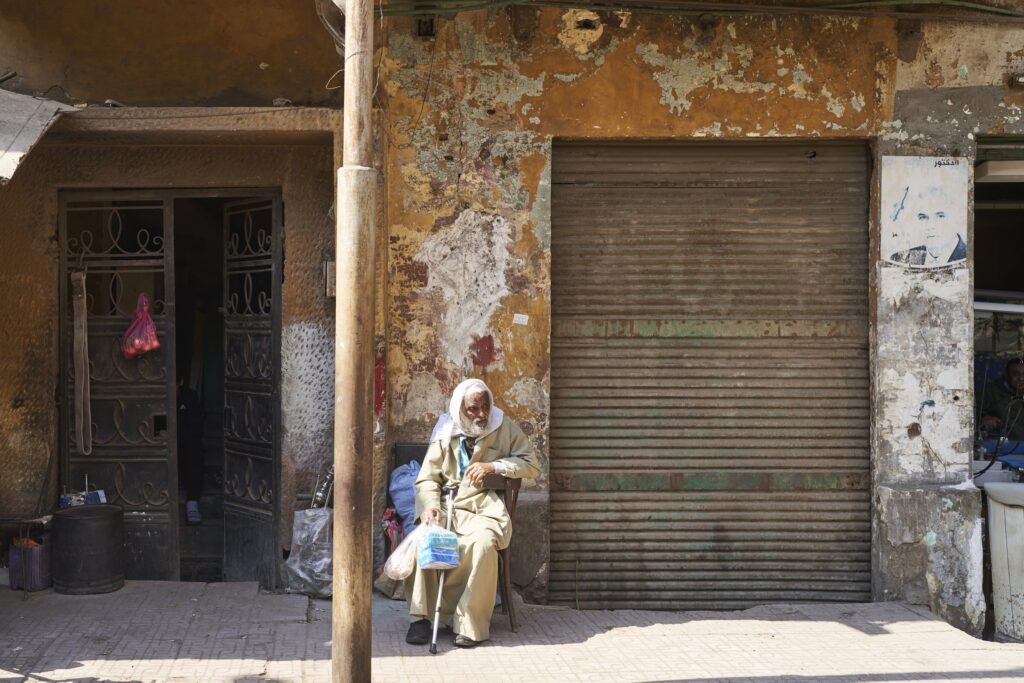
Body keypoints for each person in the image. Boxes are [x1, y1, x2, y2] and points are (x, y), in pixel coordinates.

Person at [405, 378, 542, 648]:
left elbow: (531, 465)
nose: (481, 414)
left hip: (484, 507)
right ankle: (420, 619)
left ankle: (469, 624)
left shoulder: (504, 427)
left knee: (482, 545)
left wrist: (496, 467)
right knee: (426, 538)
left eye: (485, 406)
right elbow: (427, 479)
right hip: (447, 506)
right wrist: (430, 506)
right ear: (460, 409)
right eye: (473, 408)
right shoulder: (446, 430)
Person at [981, 358, 1024, 441]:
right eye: (1016, 374)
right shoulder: (991, 392)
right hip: (1002, 447)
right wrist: (984, 418)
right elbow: (972, 413)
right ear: (1007, 375)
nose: (1021, 378)